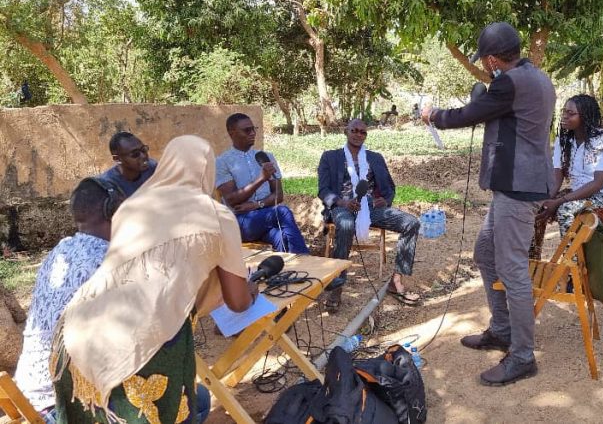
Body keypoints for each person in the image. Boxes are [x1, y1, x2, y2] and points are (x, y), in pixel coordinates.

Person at [51, 135, 258, 423]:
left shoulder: (130, 208)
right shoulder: (216, 216)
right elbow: (237, 302)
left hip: (75, 334)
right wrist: (251, 290)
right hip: (143, 344)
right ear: (207, 170)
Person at [422, 22, 555, 386]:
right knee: (485, 250)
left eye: (487, 60)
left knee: (512, 269)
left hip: (518, 186)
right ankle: (501, 330)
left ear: (494, 59)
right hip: (518, 184)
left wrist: (433, 116)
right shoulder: (539, 78)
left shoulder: (509, 82)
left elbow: (468, 115)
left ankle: (524, 356)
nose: (487, 65)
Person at [14, 177, 124, 423]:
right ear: (113, 210)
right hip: (65, 405)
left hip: (29, 396)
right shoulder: (107, 262)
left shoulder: (59, 251)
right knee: (192, 400)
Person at [318, 119, 420, 309]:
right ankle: (336, 289)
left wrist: (385, 200)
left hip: (371, 207)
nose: (358, 135)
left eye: (363, 132)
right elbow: (323, 190)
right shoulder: (330, 157)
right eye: (354, 130)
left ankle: (396, 281)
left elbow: (389, 186)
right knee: (346, 224)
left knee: (411, 222)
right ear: (345, 131)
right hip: (342, 206)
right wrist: (342, 202)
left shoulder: (375, 157)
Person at [535, 95, 603, 238]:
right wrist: (547, 199)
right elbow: (557, 177)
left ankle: (571, 258)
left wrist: (560, 201)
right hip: (580, 195)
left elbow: (598, 183)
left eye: (571, 113)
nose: (564, 116)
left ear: (585, 116)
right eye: (564, 111)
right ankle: (531, 258)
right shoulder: (564, 141)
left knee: (565, 209)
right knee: (536, 206)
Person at [216, 113, 309, 254]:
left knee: (282, 237)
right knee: (282, 212)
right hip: (239, 223)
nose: (252, 133)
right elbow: (232, 200)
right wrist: (261, 179)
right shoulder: (222, 162)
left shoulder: (266, 157)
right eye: (247, 130)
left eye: (254, 129)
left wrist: (257, 204)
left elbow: (279, 195)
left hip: (265, 217)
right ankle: (307, 262)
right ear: (232, 133)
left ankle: (287, 273)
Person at [99, 131, 157, 197]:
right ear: (117, 159)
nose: (143, 156)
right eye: (135, 154)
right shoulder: (108, 186)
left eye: (144, 150)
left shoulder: (153, 168)